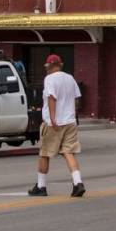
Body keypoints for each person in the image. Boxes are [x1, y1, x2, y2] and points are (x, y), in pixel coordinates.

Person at [29, 54, 85, 198]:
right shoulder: (70, 78)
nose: (46, 68)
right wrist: (71, 114)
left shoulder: (49, 79)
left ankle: (41, 186)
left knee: (44, 153)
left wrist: (53, 119)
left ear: (51, 65)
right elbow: (76, 99)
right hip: (70, 122)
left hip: (55, 123)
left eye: (47, 66)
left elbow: (51, 98)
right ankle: (78, 183)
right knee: (68, 152)